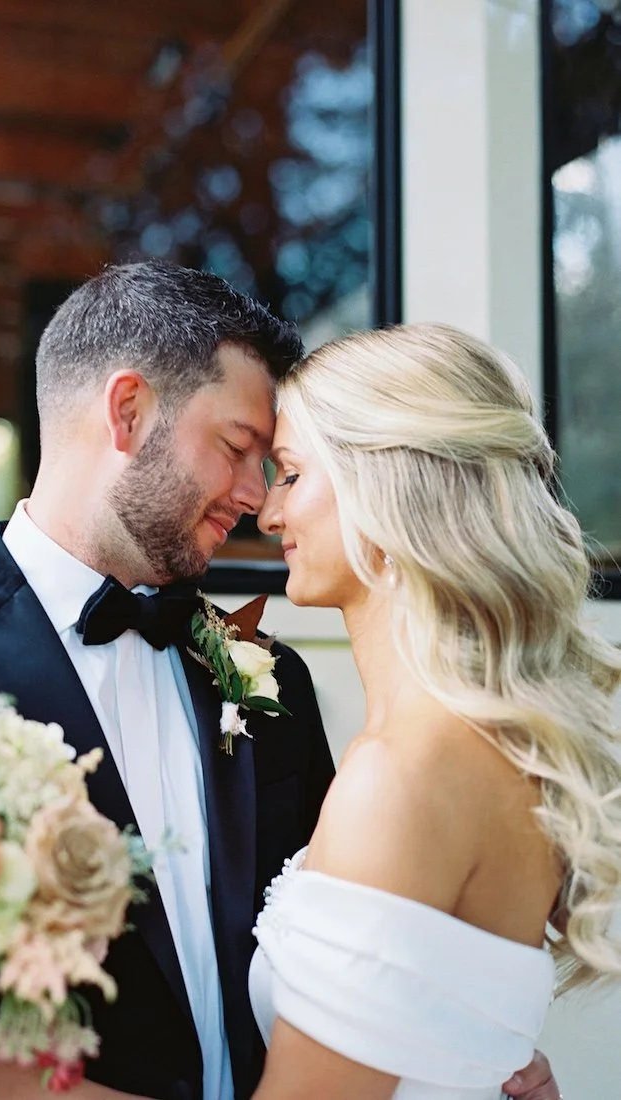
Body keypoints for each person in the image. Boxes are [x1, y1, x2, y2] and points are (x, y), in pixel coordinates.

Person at [0, 265, 559, 1100]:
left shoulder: (270, 680)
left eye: (276, 467)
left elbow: (365, 960)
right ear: (129, 411)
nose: (256, 501)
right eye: (239, 450)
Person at [250, 321, 621, 1100]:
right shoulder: (501, 746)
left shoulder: (402, 775)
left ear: (379, 485)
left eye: (288, 474)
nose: (267, 514)